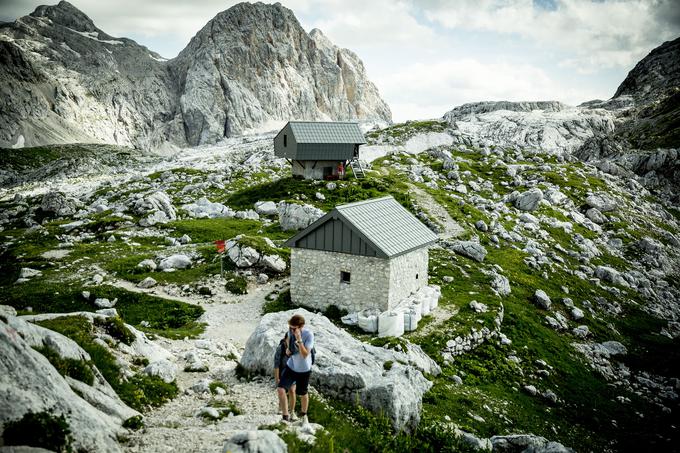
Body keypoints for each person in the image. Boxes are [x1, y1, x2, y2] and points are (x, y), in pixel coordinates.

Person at [277, 314, 314, 423]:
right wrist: (288, 349)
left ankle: (303, 415)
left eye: (294, 328)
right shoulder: (290, 332)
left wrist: (299, 340)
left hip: (304, 369)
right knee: (280, 389)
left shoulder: (309, 335)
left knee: (302, 393)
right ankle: (285, 416)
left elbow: (305, 354)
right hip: (291, 366)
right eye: (290, 327)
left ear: (301, 326)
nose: (291, 330)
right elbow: (288, 340)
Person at [273, 332, 296, 420]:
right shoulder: (280, 348)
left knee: (292, 390)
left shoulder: (296, 349)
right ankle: (281, 407)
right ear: (285, 339)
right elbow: (276, 364)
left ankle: (292, 411)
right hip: (283, 372)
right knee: (282, 391)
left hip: (294, 372)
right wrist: (277, 378)